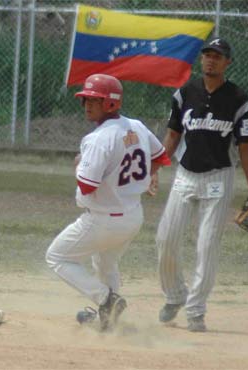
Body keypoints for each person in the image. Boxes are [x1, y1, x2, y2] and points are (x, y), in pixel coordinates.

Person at [46, 74, 171, 331]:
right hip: (132, 217)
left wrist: (79, 164)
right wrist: (148, 176)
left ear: (111, 103)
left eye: (95, 100)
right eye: (85, 100)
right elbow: (160, 156)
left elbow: (87, 185)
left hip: (102, 220)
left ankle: (106, 300)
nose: (87, 105)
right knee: (105, 262)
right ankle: (110, 320)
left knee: (57, 257)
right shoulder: (136, 126)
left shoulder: (98, 138)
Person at [154, 38, 248, 332]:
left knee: (207, 245)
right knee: (165, 239)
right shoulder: (185, 93)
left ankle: (196, 310)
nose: (211, 60)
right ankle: (175, 295)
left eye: (218, 56)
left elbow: (245, 148)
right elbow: (173, 135)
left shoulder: (238, 99)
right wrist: (155, 168)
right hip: (185, 175)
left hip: (218, 177)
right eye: (207, 55)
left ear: (228, 63)